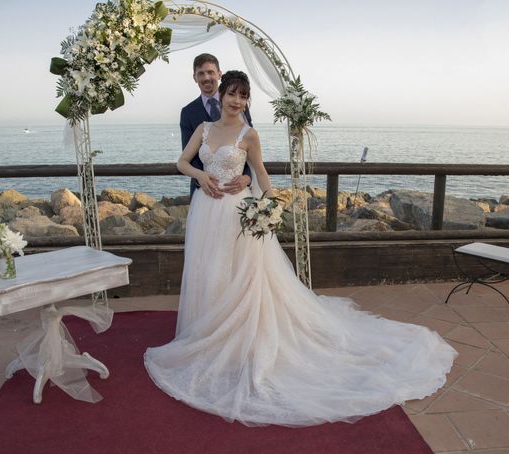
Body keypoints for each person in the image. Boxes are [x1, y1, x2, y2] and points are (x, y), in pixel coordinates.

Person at [145, 71, 457, 427]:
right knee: (210, 271)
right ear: (221, 96)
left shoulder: (249, 134)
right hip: (206, 211)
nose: (236, 101)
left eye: (243, 96)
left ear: (247, 101)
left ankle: (241, 341)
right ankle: (208, 335)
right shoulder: (203, 129)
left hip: (237, 213)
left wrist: (268, 205)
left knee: (242, 277)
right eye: (231, 93)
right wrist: (200, 176)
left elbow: (260, 173)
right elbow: (182, 162)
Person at [180, 53, 252, 198]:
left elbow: (248, 146)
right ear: (195, 77)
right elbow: (188, 155)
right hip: (204, 191)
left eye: (210, 72)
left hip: (236, 190)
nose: (206, 77)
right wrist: (201, 178)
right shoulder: (188, 112)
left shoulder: (238, 104)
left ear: (219, 74)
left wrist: (247, 177)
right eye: (201, 73)